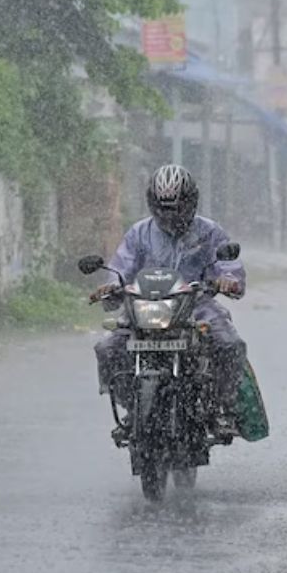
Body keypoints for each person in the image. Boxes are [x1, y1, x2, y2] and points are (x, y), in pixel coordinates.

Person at [93, 164, 247, 439]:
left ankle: (223, 407)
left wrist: (227, 280)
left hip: (196, 305)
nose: (170, 214)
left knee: (230, 344)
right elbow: (121, 268)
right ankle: (133, 407)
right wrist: (110, 287)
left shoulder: (209, 232)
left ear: (191, 202)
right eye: (163, 207)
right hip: (145, 307)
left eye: (176, 207)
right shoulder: (139, 233)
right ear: (152, 203)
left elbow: (229, 266)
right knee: (108, 348)